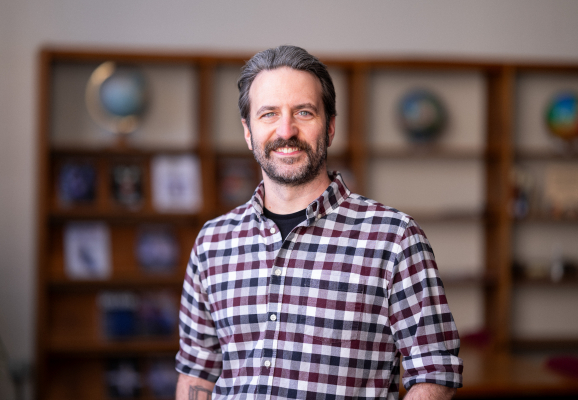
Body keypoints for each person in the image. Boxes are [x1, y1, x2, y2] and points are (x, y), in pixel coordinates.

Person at [175, 45, 463, 400]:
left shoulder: (395, 239)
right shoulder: (211, 243)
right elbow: (197, 374)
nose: (286, 130)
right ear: (248, 132)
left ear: (329, 127)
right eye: (268, 114)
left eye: (304, 112)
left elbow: (434, 371)